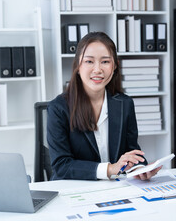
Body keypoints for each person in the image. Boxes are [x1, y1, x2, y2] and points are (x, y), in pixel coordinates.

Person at [47, 32, 162, 180]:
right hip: (74, 189)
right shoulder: (58, 109)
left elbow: (131, 151)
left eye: (105, 62)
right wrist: (110, 169)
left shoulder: (125, 104)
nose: (97, 69)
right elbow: (61, 166)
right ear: (78, 65)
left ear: (114, 66)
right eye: (89, 61)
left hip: (113, 188)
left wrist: (139, 168)